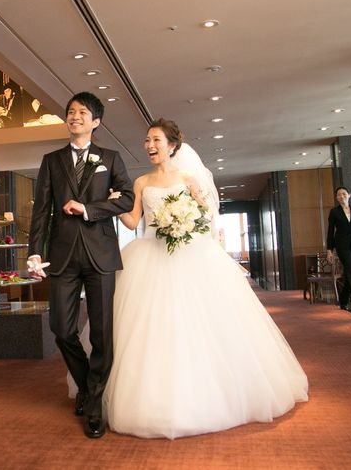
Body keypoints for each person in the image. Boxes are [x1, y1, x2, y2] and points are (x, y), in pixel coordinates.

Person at [103, 119, 308, 439]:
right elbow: (132, 222)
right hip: (150, 254)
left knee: (198, 322)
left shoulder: (188, 179)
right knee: (153, 326)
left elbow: (206, 215)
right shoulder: (141, 182)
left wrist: (185, 221)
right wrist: (115, 204)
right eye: (147, 140)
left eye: (156, 140)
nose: (149, 146)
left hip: (189, 256)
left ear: (171, 145)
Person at [28, 91, 134, 439]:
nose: (75, 116)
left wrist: (89, 209)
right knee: (61, 328)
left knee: (102, 333)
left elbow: (128, 199)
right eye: (71, 111)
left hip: (100, 254)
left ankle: (95, 404)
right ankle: (88, 385)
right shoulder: (52, 160)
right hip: (62, 256)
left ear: (96, 122)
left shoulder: (111, 158)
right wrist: (34, 252)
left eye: (83, 112)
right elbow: (41, 210)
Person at [326, 186, 351, 311]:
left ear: (349, 195)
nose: (341, 196)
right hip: (342, 246)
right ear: (336, 198)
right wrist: (329, 250)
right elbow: (330, 232)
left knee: (350, 273)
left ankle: (343, 302)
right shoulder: (334, 212)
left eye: (344, 194)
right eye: (339, 195)